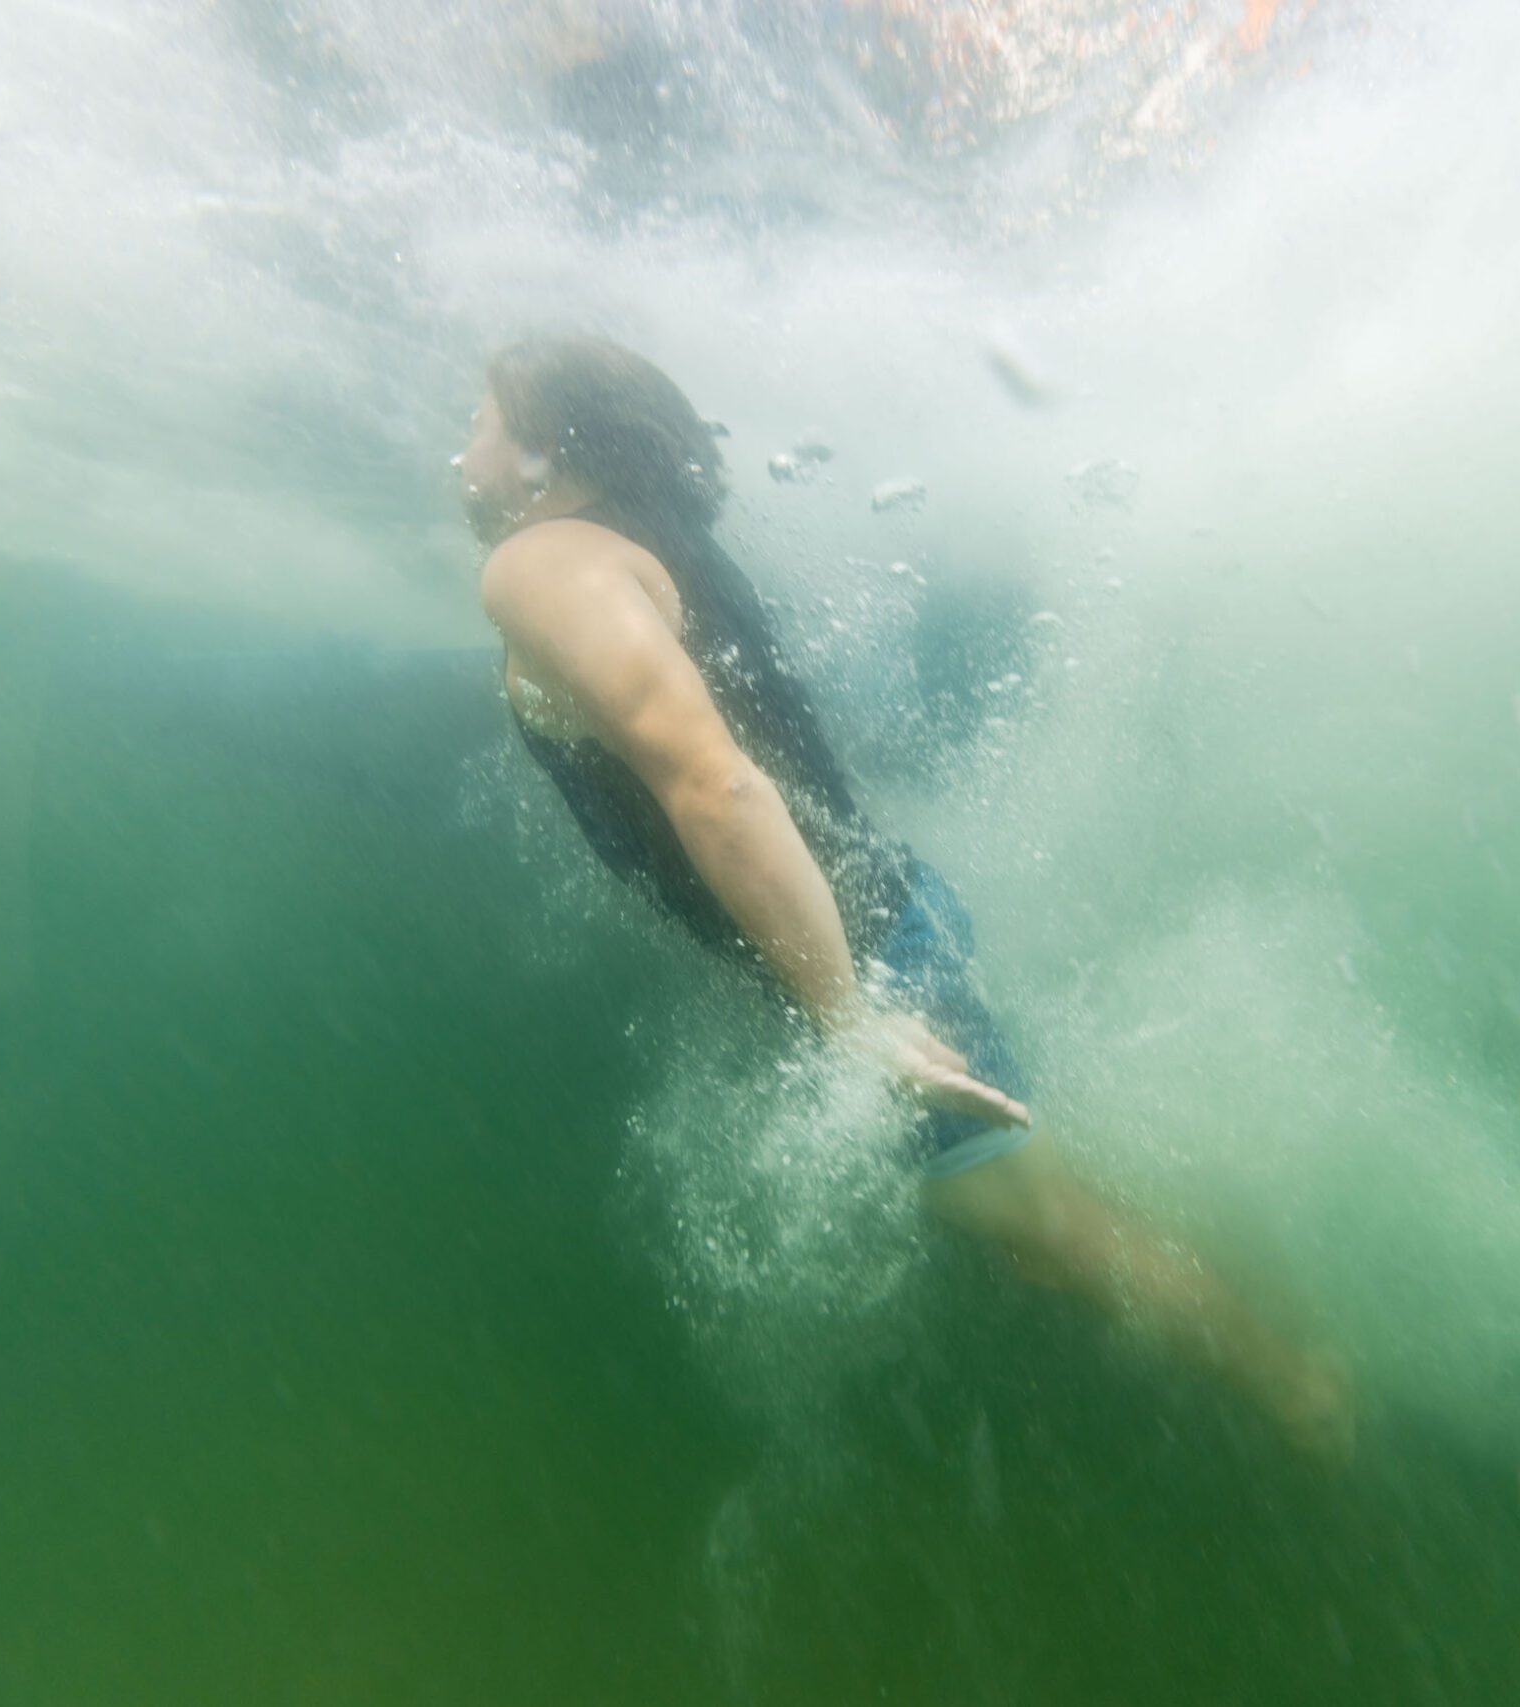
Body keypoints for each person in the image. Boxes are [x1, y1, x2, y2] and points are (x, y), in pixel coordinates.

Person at [458, 335, 1352, 1463]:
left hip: (876, 963)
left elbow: (713, 781)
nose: (464, 452)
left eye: (480, 423)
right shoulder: (649, 545)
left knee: (1037, 1229)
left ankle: (1298, 1383)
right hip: (887, 919)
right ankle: (1231, 1290)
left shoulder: (541, 566)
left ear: (545, 450)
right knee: (1023, 1217)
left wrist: (844, 1019)